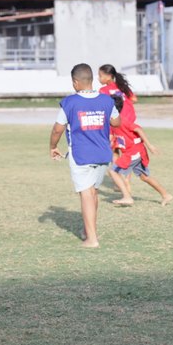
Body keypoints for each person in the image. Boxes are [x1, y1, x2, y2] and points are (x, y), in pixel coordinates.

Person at [50, 63, 120, 248]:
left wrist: (53, 146)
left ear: (75, 82)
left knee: (86, 194)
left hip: (81, 154)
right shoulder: (106, 100)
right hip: (103, 153)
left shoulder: (70, 102)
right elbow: (116, 122)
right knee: (93, 192)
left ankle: (92, 239)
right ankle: (87, 230)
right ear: (92, 80)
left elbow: (58, 128)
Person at [109, 95, 173, 206]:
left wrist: (149, 145)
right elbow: (113, 138)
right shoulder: (112, 123)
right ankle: (166, 195)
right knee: (144, 177)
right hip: (134, 152)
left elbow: (138, 129)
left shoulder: (123, 121)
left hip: (134, 152)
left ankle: (127, 197)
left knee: (113, 171)